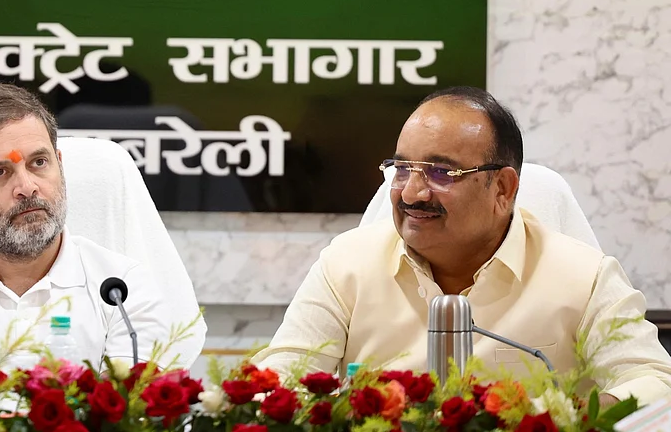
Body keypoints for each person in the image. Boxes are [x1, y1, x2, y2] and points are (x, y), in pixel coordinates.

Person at [253, 87, 671, 403]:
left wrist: (577, 416)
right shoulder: (346, 265)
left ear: (503, 188)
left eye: (441, 172)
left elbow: (656, 383)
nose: (413, 193)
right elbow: (279, 380)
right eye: (402, 169)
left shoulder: (584, 278)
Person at [0, 83, 177, 372]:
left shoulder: (122, 293)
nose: (27, 187)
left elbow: (130, 414)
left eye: (38, 162)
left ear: (60, 167)